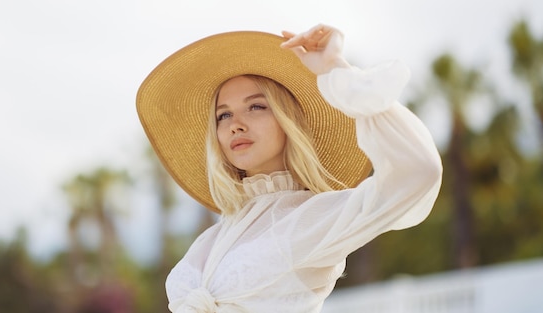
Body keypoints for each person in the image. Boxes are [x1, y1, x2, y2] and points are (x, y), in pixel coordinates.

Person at [136, 24, 442, 313]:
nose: (235, 125)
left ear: (288, 120)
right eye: (223, 115)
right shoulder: (213, 237)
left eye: (256, 106)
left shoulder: (312, 217)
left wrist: (334, 67)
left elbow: (418, 173)